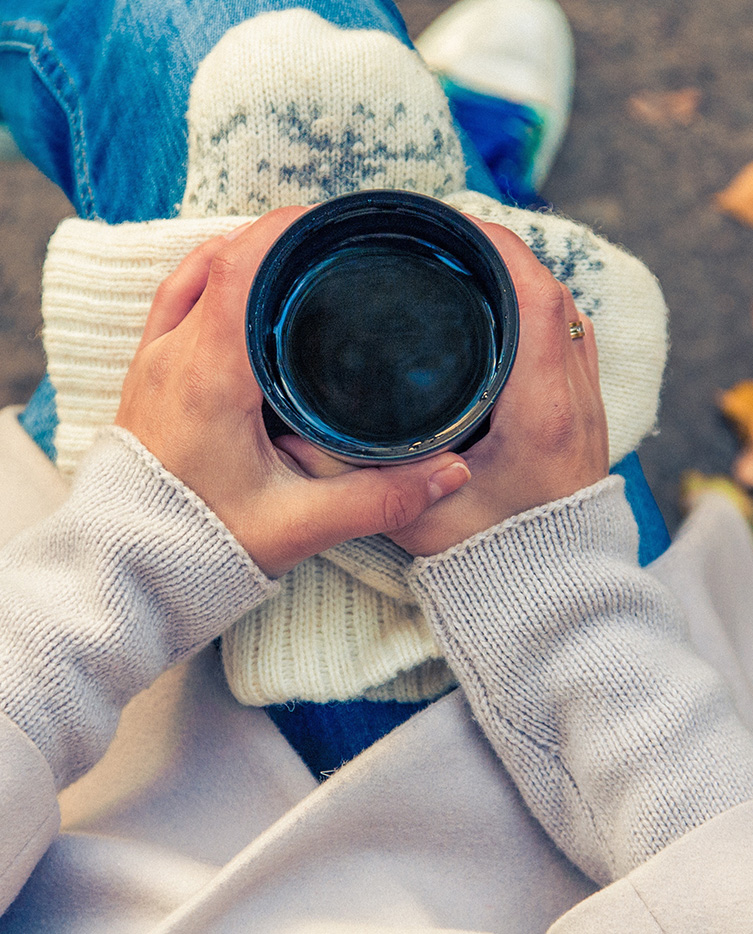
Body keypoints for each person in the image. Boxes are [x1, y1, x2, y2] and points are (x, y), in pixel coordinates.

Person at [0, 0, 752, 931]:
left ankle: (472, 172)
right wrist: (555, 601)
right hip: (613, 783)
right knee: (354, 130)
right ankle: (478, 173)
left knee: (202, 27)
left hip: (109, 795)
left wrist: (138, 553)